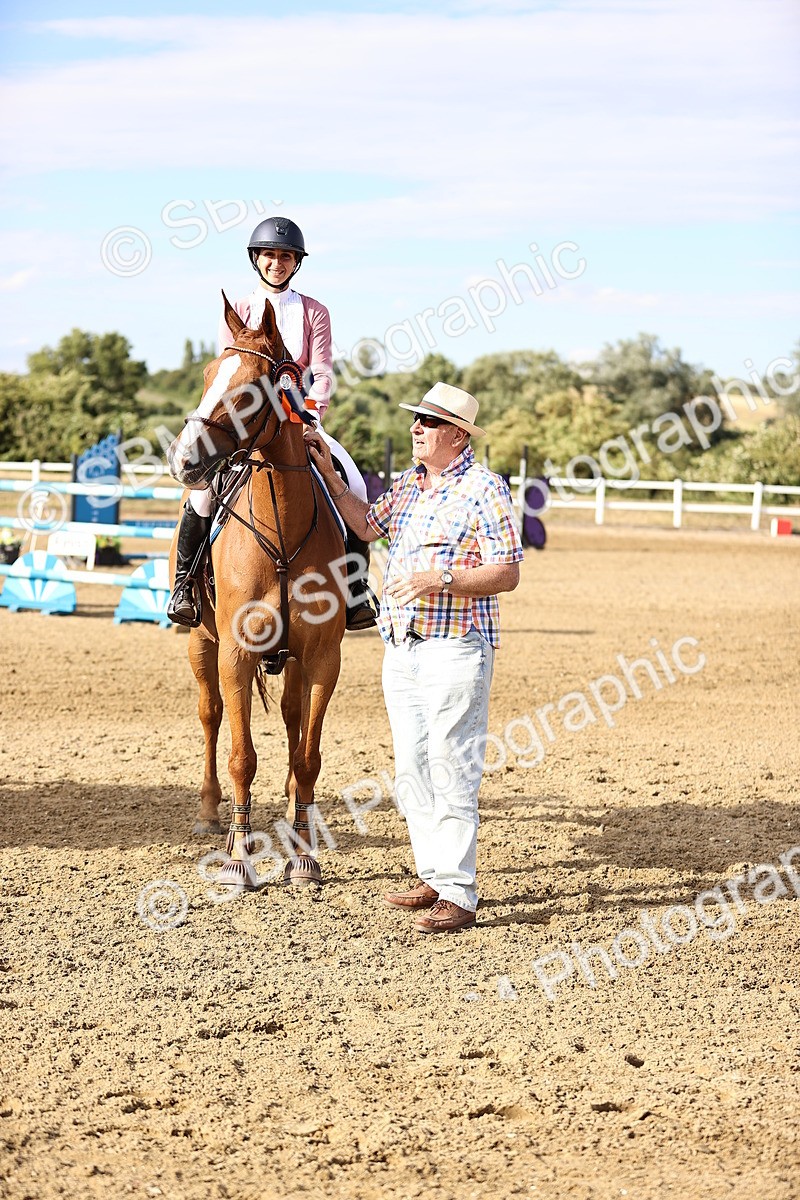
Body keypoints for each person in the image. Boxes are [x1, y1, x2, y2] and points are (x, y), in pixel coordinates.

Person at [304, 382, 522, 934]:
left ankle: (459, 892)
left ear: (455, 433)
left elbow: (507, 572)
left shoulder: (483, 488)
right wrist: (330, 474)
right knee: (411, 772)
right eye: (416, 420)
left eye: (425, 422)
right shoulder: (409, 485)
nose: (415, 429)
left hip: (455, 647)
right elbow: (366, 524)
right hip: (401, 648)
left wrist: (440, 577)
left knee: (453, 768)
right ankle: (434, 873)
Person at [167, 216, 377, 631]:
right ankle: (184, 585)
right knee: (203, 492)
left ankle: (355, 591)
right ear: (256, 259)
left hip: (299, 419)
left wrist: (312, 415)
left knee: (352, 480)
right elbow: (231, 370)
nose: (277, 263)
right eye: (269, 255)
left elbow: (322, 368)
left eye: (285, 256)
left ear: (295, 262)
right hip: (247, 424)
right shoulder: (240, 308)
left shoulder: (315, 311)